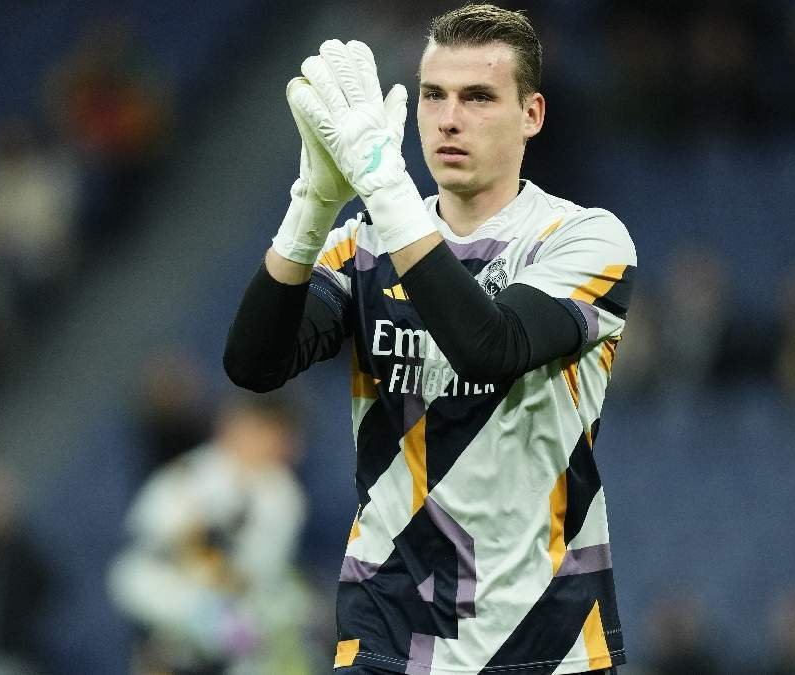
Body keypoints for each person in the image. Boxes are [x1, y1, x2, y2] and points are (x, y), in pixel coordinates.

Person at [224, 5, 636, 674]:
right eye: (434, 95)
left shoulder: (584, 240)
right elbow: (253, 364)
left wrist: (384, 186)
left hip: (546, 642)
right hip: (389, 633)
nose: (449, 118)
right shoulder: (361, 246)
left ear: (531, 114)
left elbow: (490, 347)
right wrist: (311, 206)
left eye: (478, 97)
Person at [108, 394, 311, 675]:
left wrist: (217, 569)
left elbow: (257, 569)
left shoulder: (282, 495)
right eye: (248, 427)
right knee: (132, 577)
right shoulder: (192, 470)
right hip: (173, 584)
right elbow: (151, 531)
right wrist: (190, 543)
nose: (253, 439)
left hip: (231, 601)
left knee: (266, 621)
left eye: (265, 433)